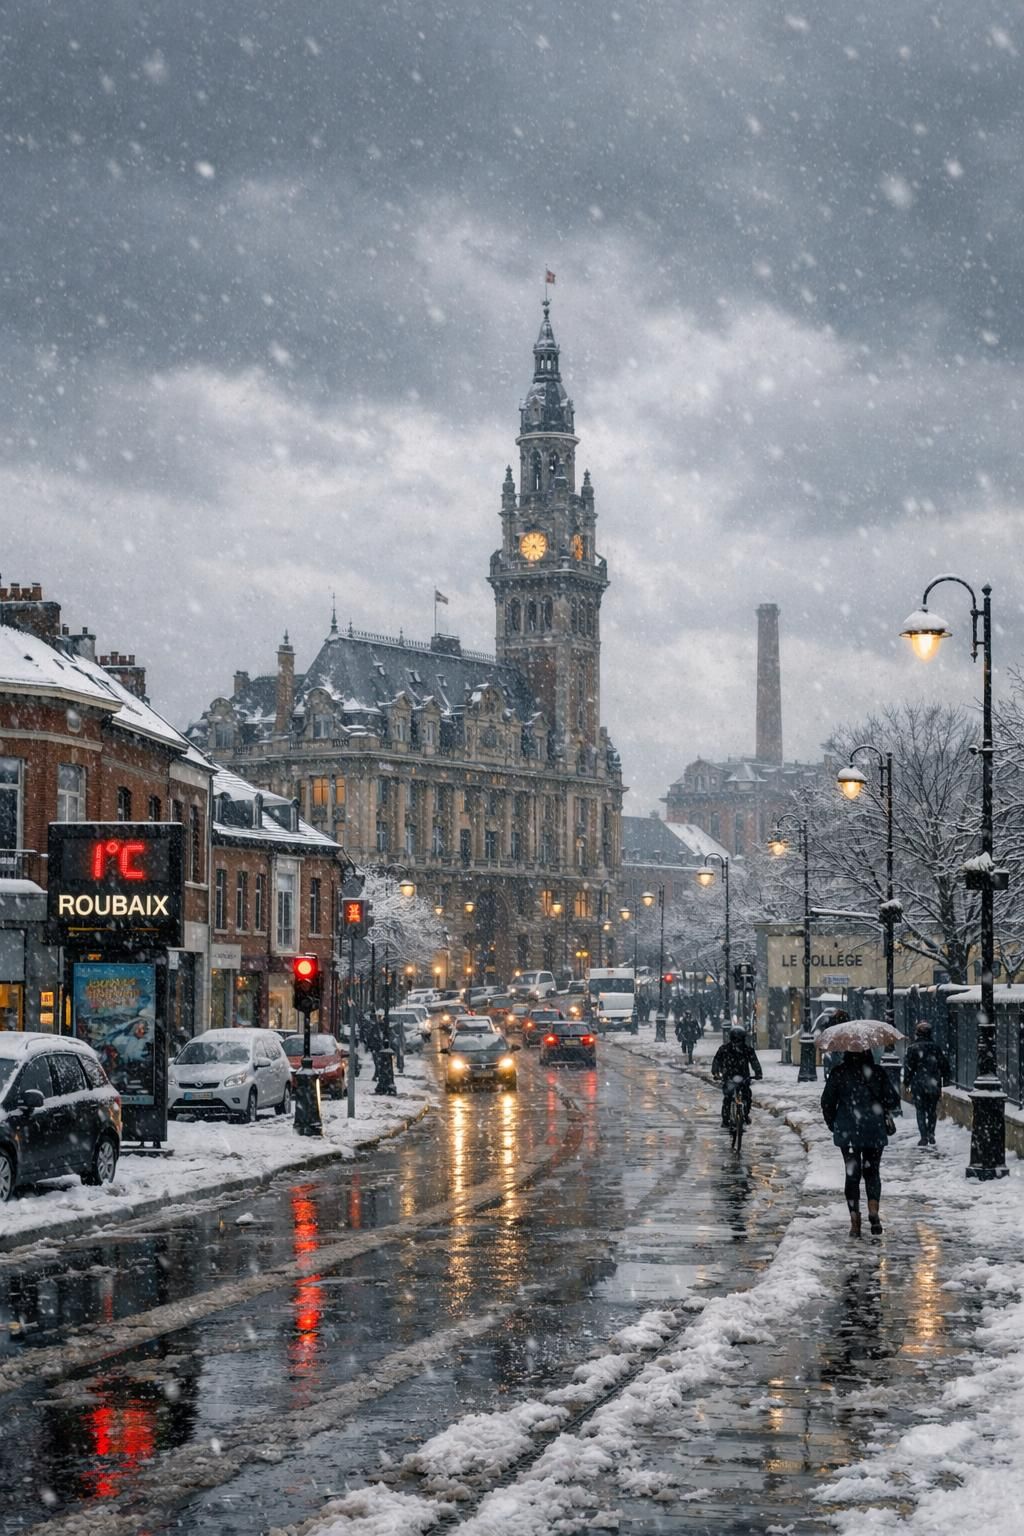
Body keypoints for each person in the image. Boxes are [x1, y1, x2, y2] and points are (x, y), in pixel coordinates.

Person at [821, 1049, 901, 1237]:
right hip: (874, 1129)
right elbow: (893, 1100)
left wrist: (833, 1123)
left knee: (852, 1175)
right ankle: (873, 1209)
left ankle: (855, 1221)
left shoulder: (838, 1072)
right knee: (872, 1172)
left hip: (848, 1131)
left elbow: (826, 1102)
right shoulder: (878, 1072)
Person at [903, 1021, 951, 1147]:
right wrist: (945, 1079)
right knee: (932, 1110)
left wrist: (906, 1082)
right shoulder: (936, 1047)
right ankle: (931, 1133)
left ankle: (923, 1136)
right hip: (933, 1083)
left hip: (918, 1084)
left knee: (920, 1110)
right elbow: (944, 1065)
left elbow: (908, 1068)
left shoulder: (912, 1048)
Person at [711, 1024, 763, 1126]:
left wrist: (758, 1073)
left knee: (747, 1096)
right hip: (729, 1078)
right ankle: (726, 1119)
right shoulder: (724, 1049)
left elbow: (754, 1062)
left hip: (743, 1078)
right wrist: (716, 1072)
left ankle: (745, 1114)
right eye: (735, 1039)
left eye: (739, 1039)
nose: (737, 1042)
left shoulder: (747, 1050)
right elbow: (716, 1061)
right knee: (728, 1098)